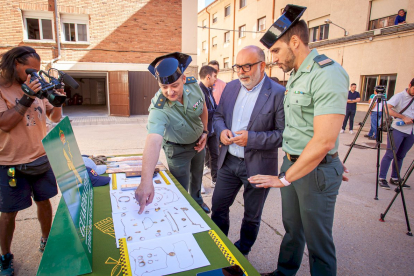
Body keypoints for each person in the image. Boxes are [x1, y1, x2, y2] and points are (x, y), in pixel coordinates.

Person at [253, 5, 349, 276]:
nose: (273, 59)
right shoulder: (296, 75)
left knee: (319, 243)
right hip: (294, 163)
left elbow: (323, 141)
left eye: (276, 51)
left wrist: (285, 177)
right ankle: (285, 273)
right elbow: (304, 127)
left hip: (314, 171)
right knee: (293, 230)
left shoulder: (327, 74)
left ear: (295, 42)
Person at [212, 45, 285, 258]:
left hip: (259, 167)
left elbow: (282, 134)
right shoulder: (231, 87)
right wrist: (222, 130)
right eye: (238, 67)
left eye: (247, 66)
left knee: (252, 216)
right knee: (218, 207)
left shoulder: (277, 93)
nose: (241, 71)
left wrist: (251, 138)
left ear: (262, 66)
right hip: (229, 162)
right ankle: (219, 248)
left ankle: (241, 252)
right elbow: (217, 116)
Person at [0, 46, 64, 275]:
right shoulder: (3, 89)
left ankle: (46, 240)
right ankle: (5, 255)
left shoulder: (37, 86)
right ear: (14, 63)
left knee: (45, 203)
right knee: (8, 213)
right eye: (30, 70)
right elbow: (5, 124)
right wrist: (27, 97)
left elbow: (53, 117)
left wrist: (58, 101)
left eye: (37, 71)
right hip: (11, 164)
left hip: (40, 158)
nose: (34, 75)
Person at [134, 52, 211, 214]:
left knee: (197, 177)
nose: (170, 92)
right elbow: (153, 140)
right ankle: (184, 212)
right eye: (164, 87)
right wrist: (146, 181)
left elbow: (203, 108)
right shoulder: (159, 106)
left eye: (175, 85)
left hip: (199, 143)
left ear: (183, 79)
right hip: (177, 150)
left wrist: (205, 131)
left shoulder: (193, 85)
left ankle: (197, 202)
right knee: (181, 186)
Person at [378, 78, 414, 190]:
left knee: (401, 156)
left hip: (411, 131)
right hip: (398, 129)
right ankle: (382, 178)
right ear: (410, 85)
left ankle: (395, 177)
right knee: (390, 154)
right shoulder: (400, 96)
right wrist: (403, 117)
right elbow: (386, 108)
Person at [198, 65, 219, 188]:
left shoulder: (209, 90)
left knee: (215, 155)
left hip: (212, 130)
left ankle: (215, 180)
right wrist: (216, 111)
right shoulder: (199, 91)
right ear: (208, 76)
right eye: (215, 76)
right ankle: (198, 183)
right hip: (202, 131)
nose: (216, 79)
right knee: (199, 158)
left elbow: (214, 107)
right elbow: (201, 111)